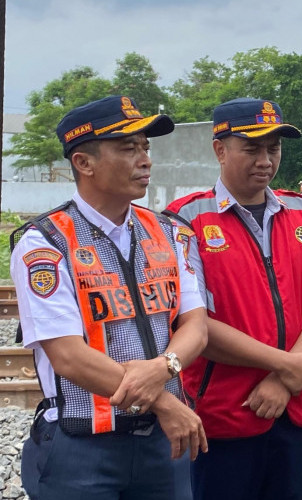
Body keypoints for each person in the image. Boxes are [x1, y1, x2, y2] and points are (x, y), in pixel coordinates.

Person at [10, 95, 209, 500]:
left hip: (161, 444)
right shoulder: (45, 244)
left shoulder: (171, 233)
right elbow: (67, 355)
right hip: (82, 446)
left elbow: (196, 325)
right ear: (84, 163)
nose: (145, 160)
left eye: (145, 147)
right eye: (128, 148)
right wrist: (164, 403)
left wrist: (163, 367)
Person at [165, 97, 302, 500]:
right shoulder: (186, 219)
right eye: (252, 148)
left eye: (274, 148)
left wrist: (284, 381)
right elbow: (192, 326)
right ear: (220, 149)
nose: (265, 160)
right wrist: (286, 365)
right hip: (224, 416)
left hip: (298, 413)